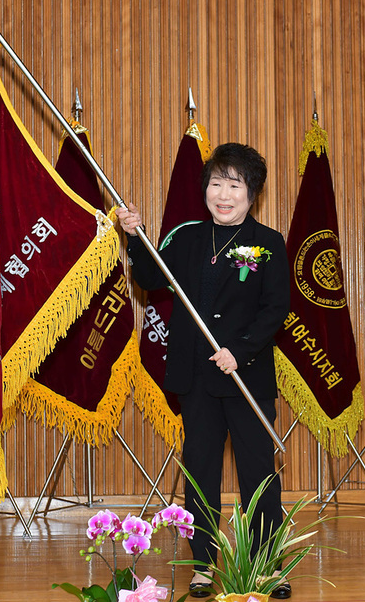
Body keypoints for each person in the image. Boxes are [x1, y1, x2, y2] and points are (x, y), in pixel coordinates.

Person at [117, 142, 292, 599]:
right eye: (217, 183)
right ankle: (201, 566)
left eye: (234, 185)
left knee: (259, 477)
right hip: (195, 378)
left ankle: (268, 566)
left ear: (252, 193)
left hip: (244, 377)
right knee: (201, 473)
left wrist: (243, 350)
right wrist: (135, 237)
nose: (224, 194)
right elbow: (152, 279)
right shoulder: (185, 236)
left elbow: (276, 309)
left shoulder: (268, 243)